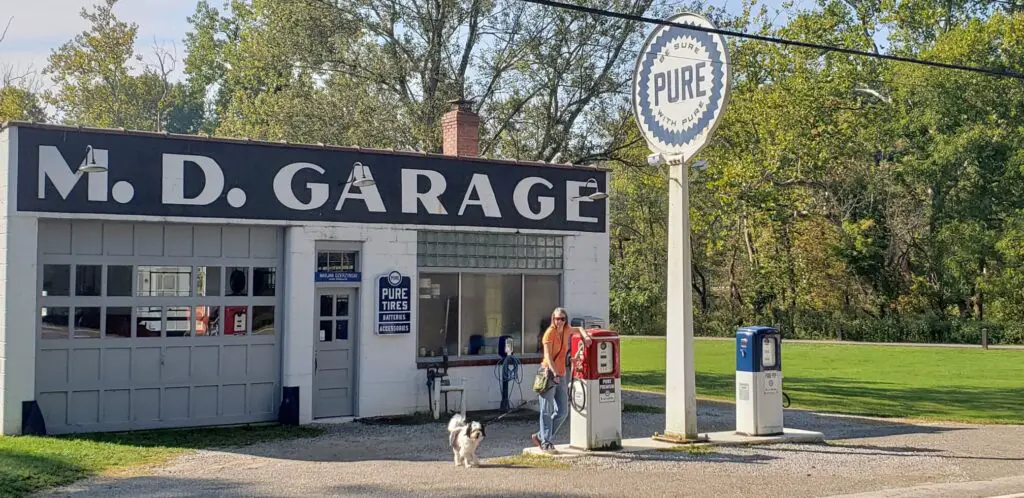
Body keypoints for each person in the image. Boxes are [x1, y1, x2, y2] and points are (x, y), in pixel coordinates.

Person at [532, 307, 592, 452]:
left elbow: (578, 329)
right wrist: (554, 374)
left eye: (562, 319)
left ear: (566, 320)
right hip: (548, 373)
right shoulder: (549, 334)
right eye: (557, 318)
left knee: (563, 411)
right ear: (553, 319)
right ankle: (546, 442)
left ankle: (541, 436)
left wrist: (586, 336)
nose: (559, 321)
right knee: (546, 410)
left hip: (561, 373)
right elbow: (547, 356)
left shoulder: (566, 330)